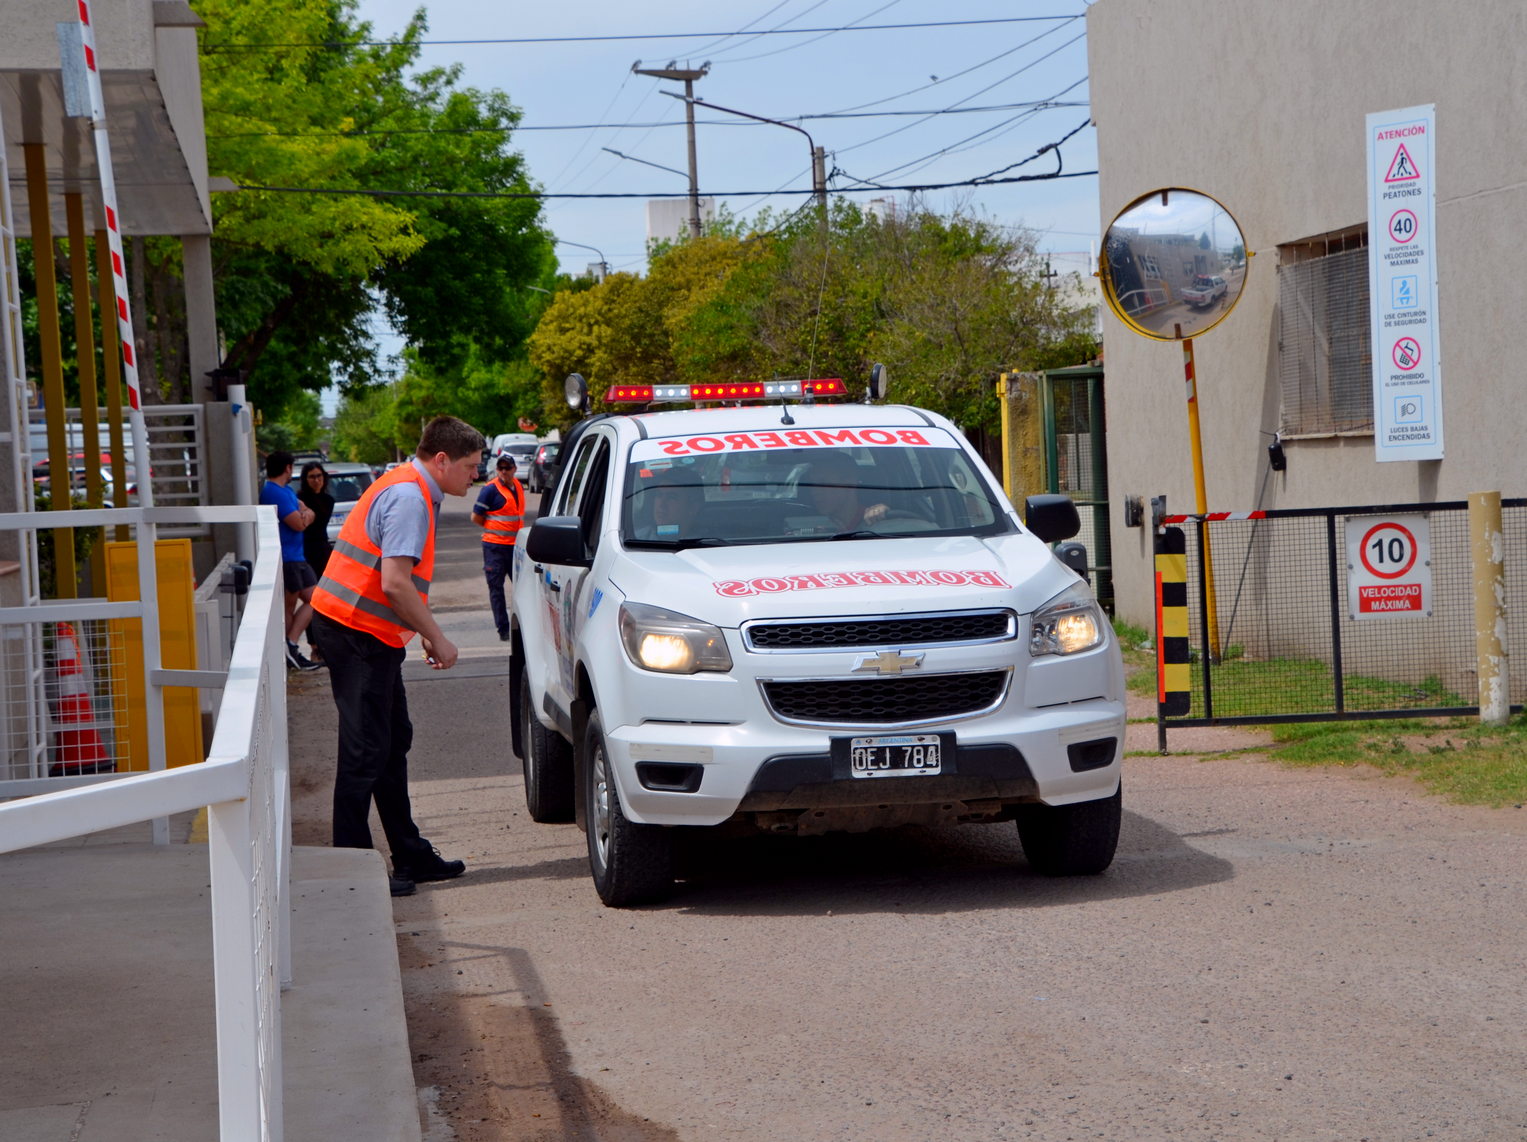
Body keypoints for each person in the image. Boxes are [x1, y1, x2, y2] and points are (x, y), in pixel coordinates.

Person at [309, 416, 484, 897]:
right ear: (442, 460)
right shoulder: (409, 498)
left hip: (365, 632)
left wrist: (420, 629)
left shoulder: (410, 487)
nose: (476, 475)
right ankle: (352, 870)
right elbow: (394, 583)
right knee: (366, 751)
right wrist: (437, 637)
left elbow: (397, 585)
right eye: (470, 466)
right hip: (356, 632)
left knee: (388, 743)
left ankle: (409, 854)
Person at [258, 450, 322, 671]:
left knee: (317, 598)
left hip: (298, 557)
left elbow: (307, 511)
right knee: (289, 605)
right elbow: (299, 523)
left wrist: (306, 514)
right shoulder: (273, 492)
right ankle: (286, 651)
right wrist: (306, 516)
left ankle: (291, 643)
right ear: (287, 468)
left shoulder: (286, 491)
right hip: (287, 558)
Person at [470, 453, 525, 642]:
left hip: (515, 547)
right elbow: (475, 517)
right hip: (494, 547)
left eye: (507, 468)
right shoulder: (490, 490)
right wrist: (494, 529)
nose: (503, 471)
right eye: (500, 468)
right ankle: (503, 629)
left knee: (522, 587)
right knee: (496, 589)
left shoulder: (518, 486)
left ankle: (522, 626)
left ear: (514, 469)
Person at [297, 462, 335, 663]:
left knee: (326, 600)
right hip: (305, 551)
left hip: (322, 550)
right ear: (305, 479)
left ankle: (325, 644)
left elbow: (318, 521)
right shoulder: (300, 499)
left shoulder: (328, 500)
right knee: (312, 600)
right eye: (312, 476)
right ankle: (314, 646)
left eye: (319, 476)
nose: (316, 480)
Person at [805, 451, 889, 532]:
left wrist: (884, 514)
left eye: (822, 483)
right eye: (812, 484)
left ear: (849, 482)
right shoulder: (806, 528)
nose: (814, 491)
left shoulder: (876, 519)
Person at [633, 469, 703, 539]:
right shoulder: (636, 538)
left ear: (693, 508)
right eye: (659, 495)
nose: (662, 504)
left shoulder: (705, 541)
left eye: (671, 497)